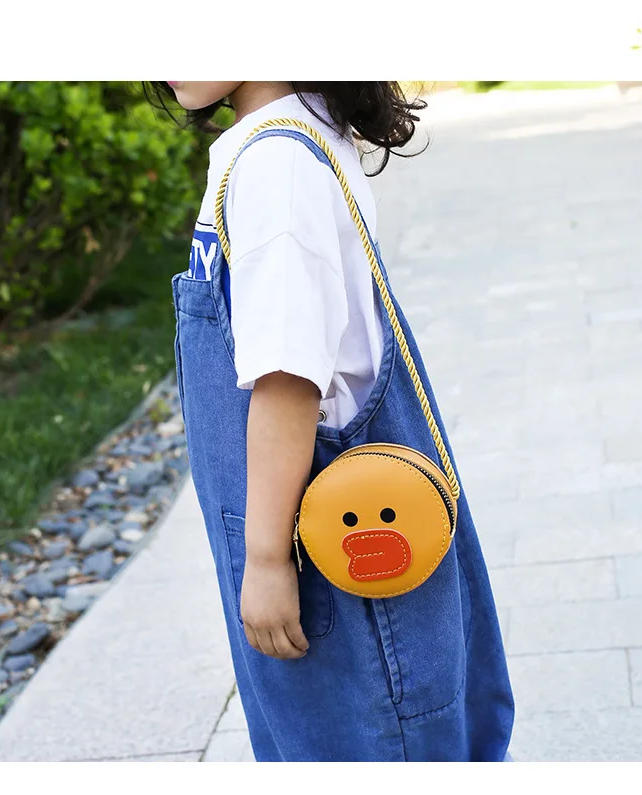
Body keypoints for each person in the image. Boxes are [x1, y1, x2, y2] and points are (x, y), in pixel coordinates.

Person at [147, 81, 514, 762]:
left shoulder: (276, 165)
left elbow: (288, 378)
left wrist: (265, 559)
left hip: (331, 570)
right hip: (315, 544)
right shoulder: (288, 139)